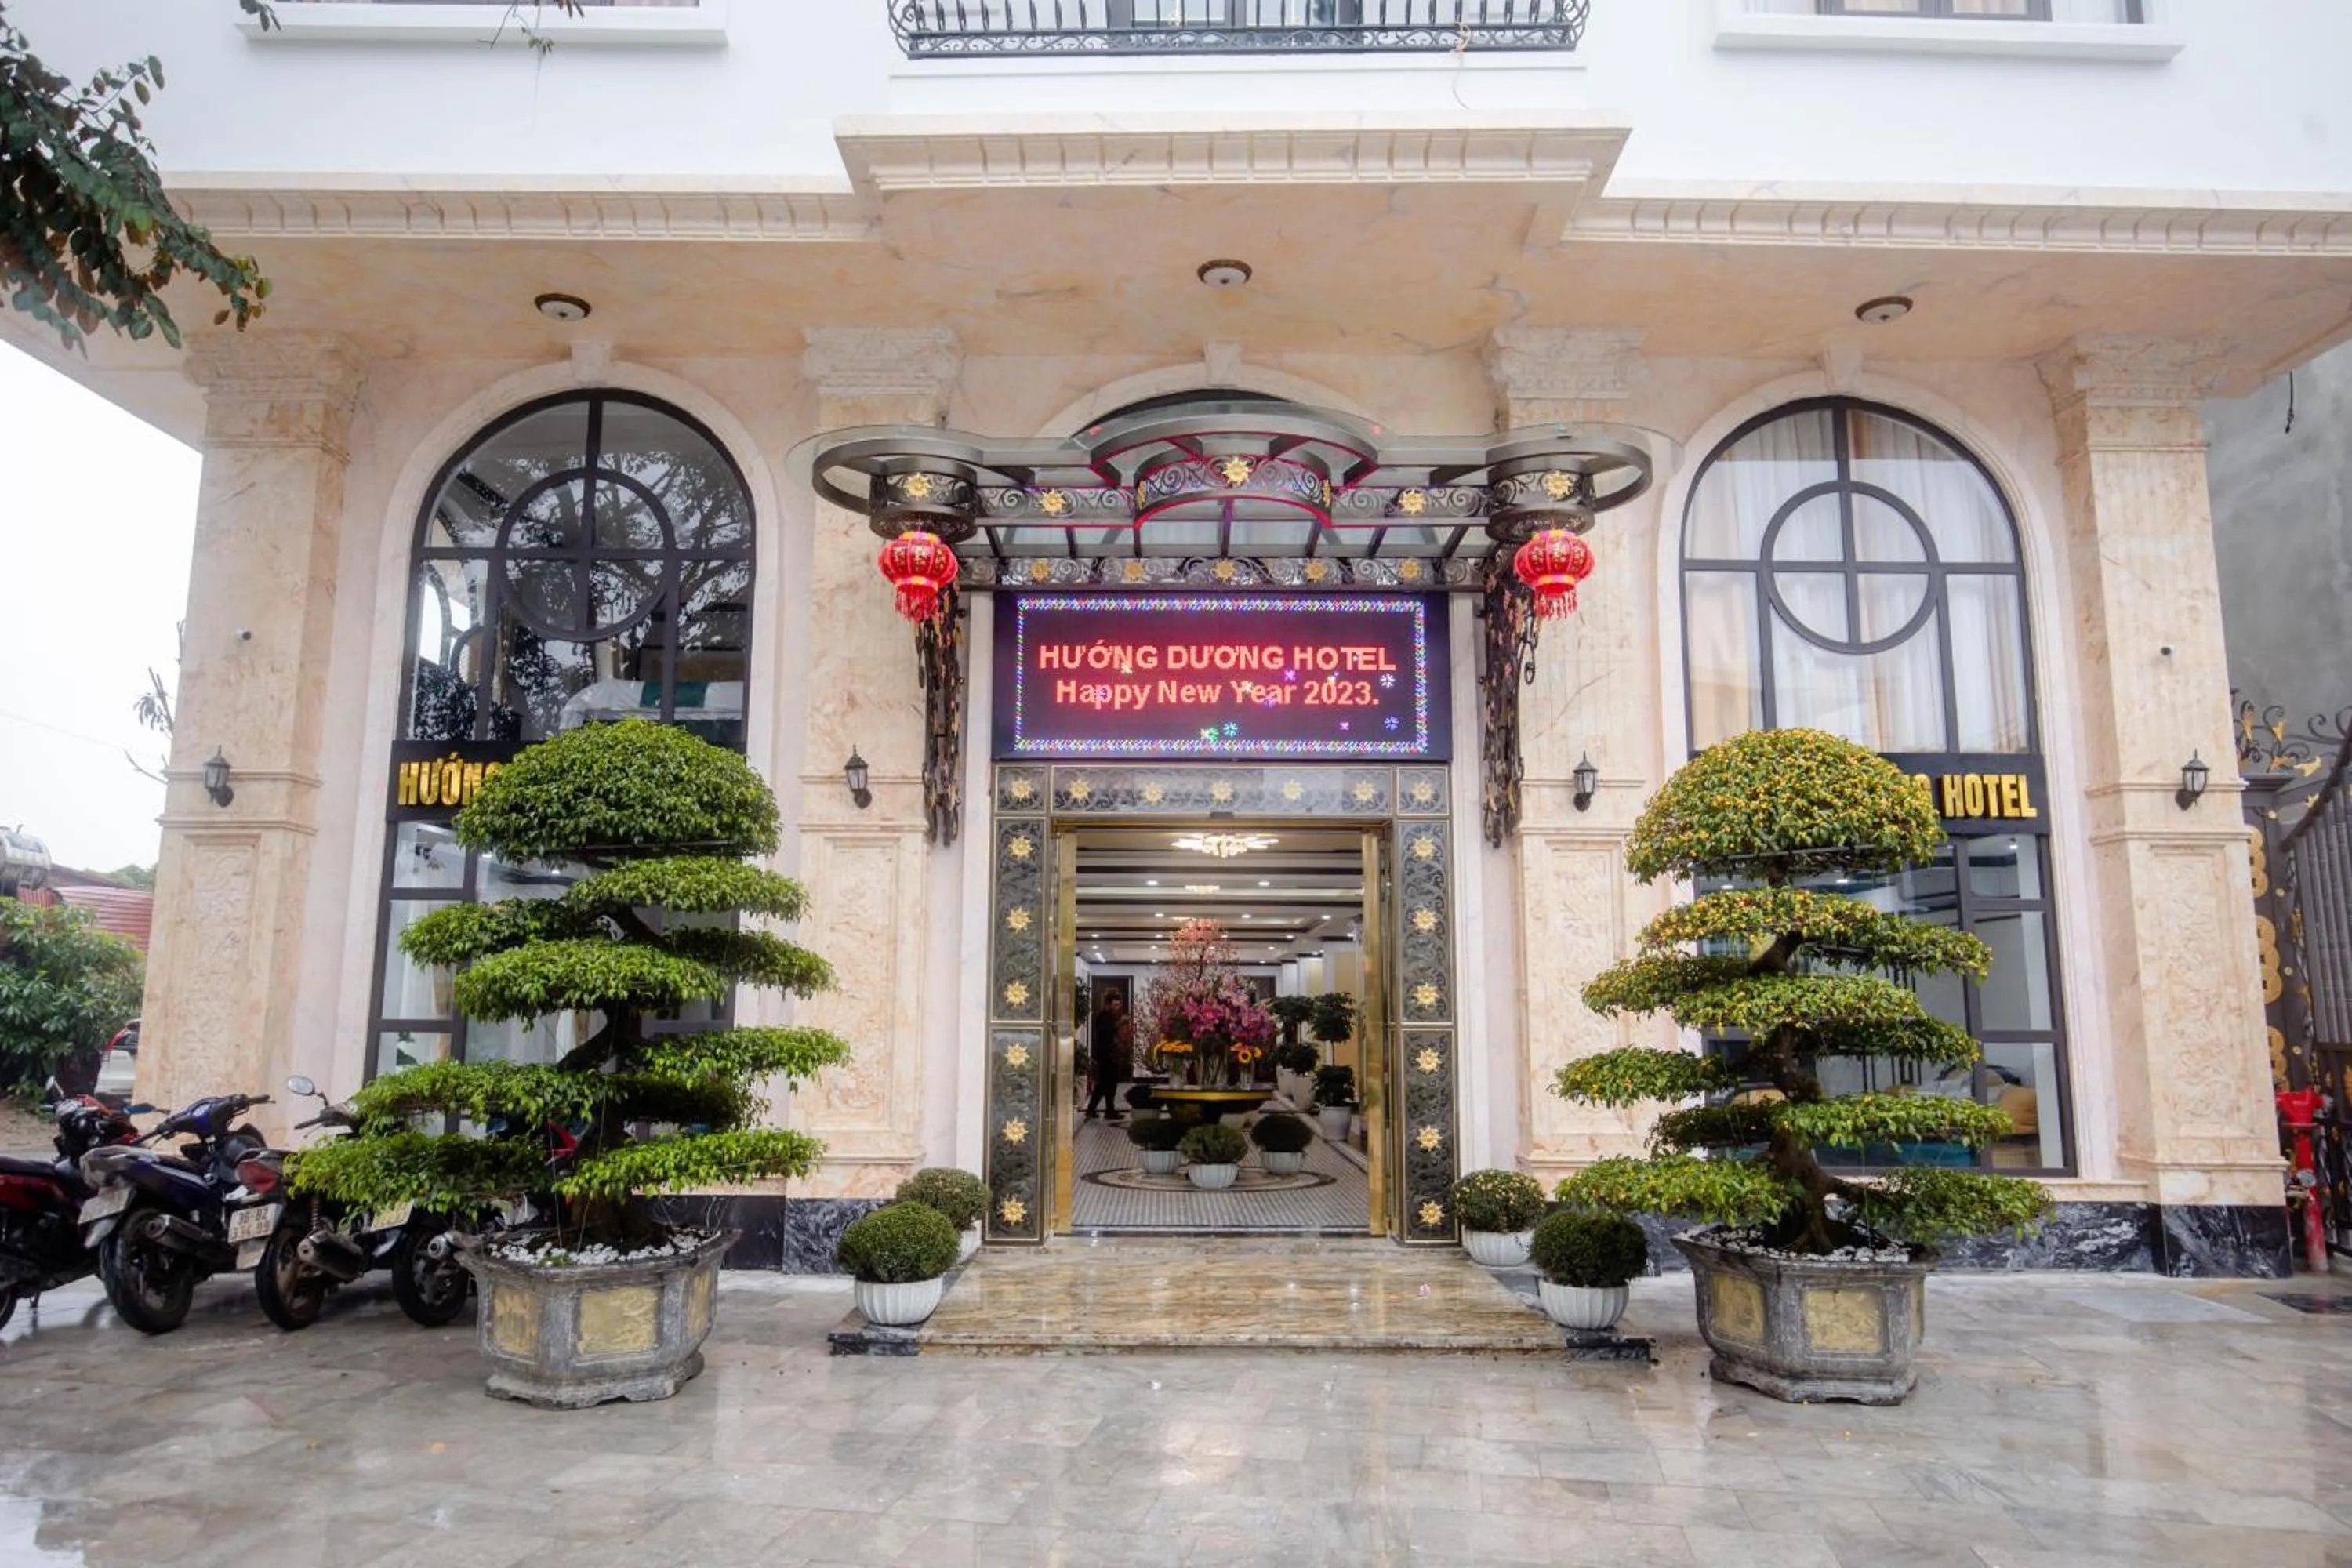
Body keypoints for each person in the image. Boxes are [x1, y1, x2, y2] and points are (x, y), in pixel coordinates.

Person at [1083, 990, 1134, 1123]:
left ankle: (1106, 1110)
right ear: (1108, 1005)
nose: (1118, 1008)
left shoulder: (1111, 1018)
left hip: (1112, 1055)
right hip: (1105, 1055)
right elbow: (1107, 1034)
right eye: (1115, 1005)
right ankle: (1096, 1109)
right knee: (1104, 1084)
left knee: (1110, 1084)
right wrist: (1119, 1024)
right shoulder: (1102, 1018)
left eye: (1119, 1005)